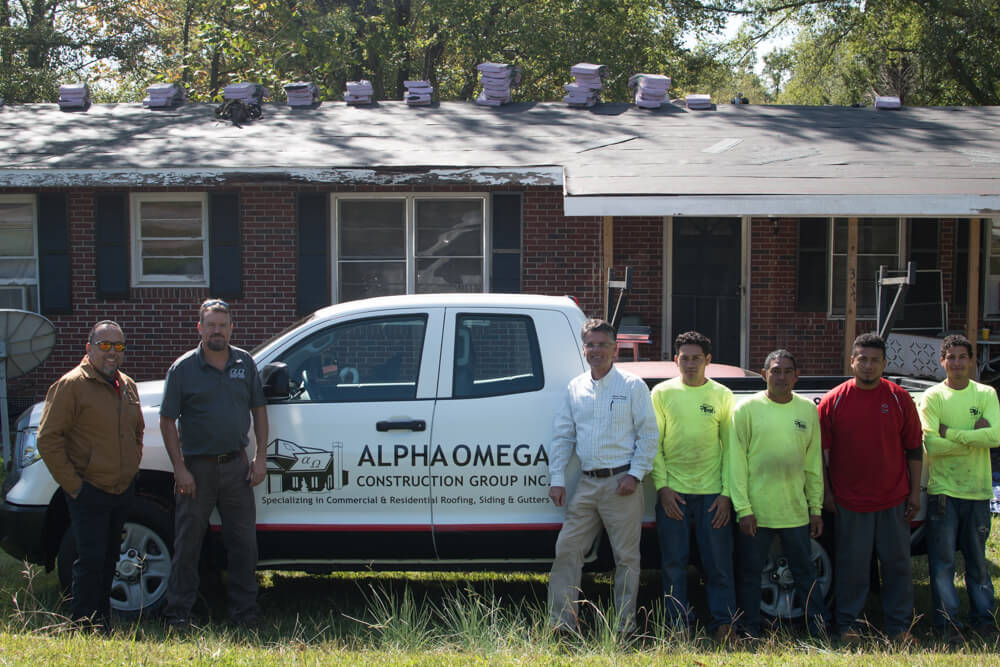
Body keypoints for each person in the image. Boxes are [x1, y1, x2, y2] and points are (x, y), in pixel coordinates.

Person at [160, 299, 268, 628]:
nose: (217, 331)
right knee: (188, 544)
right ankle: (178, 613)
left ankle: (244, 614)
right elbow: (167, 421)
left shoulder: (244, 363)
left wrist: (260, 456)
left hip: (237, 467)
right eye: (211, 325)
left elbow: (259, 411)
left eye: (222, 325)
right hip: (197, 469)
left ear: (231, 328)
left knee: (243, 545)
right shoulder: (183, 369)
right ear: (200, 328)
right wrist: (180, 468)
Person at [547, 318, 658, 636]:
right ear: (584, 349)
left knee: (626, 559)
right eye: (591, 345)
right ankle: (562, 624)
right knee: (567, 550)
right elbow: (563, 435)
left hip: (621, 483)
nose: (596, 350)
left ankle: (624, 627)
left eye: (602, 345)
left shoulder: (632, 387)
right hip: (586, 483)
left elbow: (649, 435)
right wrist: (557, 477)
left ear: (615, 348)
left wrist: (635, 475)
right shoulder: (576, 386)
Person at [36, 320, 144, 628]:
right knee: (90, 560)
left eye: (118, 346)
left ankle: (102, 622)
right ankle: (82, 624)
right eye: (105, 345)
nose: (112, 352)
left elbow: (137, 431)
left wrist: (131, 468)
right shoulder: (71, 385)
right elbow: (48, 438)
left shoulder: (127, 384)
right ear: (89, 348)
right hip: (89, 490)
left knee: (110, 559)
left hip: (120, 489)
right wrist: (75, 486)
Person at [818, 333, 921, 644]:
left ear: (884, 364)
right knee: (852, 568)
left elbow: (914, 449)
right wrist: (826, 493)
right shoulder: (832, 400)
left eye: (875, 360)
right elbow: (819, 455)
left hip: (893, 499)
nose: (868, 365)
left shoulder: (899, 398)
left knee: (898, 566)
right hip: (850, 501)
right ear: (852, 361)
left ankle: (900, 628)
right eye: (862, 358)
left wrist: (915, 493)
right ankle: (849, 625)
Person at [730, 349, 829, 638]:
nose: (781, 377)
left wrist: (816, 508)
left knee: (805, 572)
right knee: (749, 574)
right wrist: (743, 509)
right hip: (755, 513)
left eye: (787, 371)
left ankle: (818, 628)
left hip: (795, 510)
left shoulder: (807, 410)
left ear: (797, 376)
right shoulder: (746, 410)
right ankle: (749, 630)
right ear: (764, 375)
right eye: (775, 370)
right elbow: (736, 464)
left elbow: (813, 465)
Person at [650, 331, 737, 641]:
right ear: (675, 360)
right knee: (673, 565)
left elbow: (730, 449)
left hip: (713, 496)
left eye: (696, 358)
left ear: (708, 360)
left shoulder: (722, 395)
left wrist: (727, 494)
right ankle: (676, 628)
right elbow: (654, 445)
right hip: (674, 496)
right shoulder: (661, 393)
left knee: (718, 565)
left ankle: (724, 626)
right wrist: (662, 488)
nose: (689, 363)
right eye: (684, 358)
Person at [918, 334, 999, 641]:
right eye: (950, 357)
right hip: (943, 493)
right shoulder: (933, 397)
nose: (956, 363)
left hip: (977, 493)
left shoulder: (986, 393)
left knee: (978, 564)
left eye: (962, 357)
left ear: (972, 360)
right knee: (942, 566)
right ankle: (948, 626)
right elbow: (930, 445)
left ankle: (984, 621)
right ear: (942, 361)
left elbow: (995, 437)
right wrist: (972, 439)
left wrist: (951, 433)